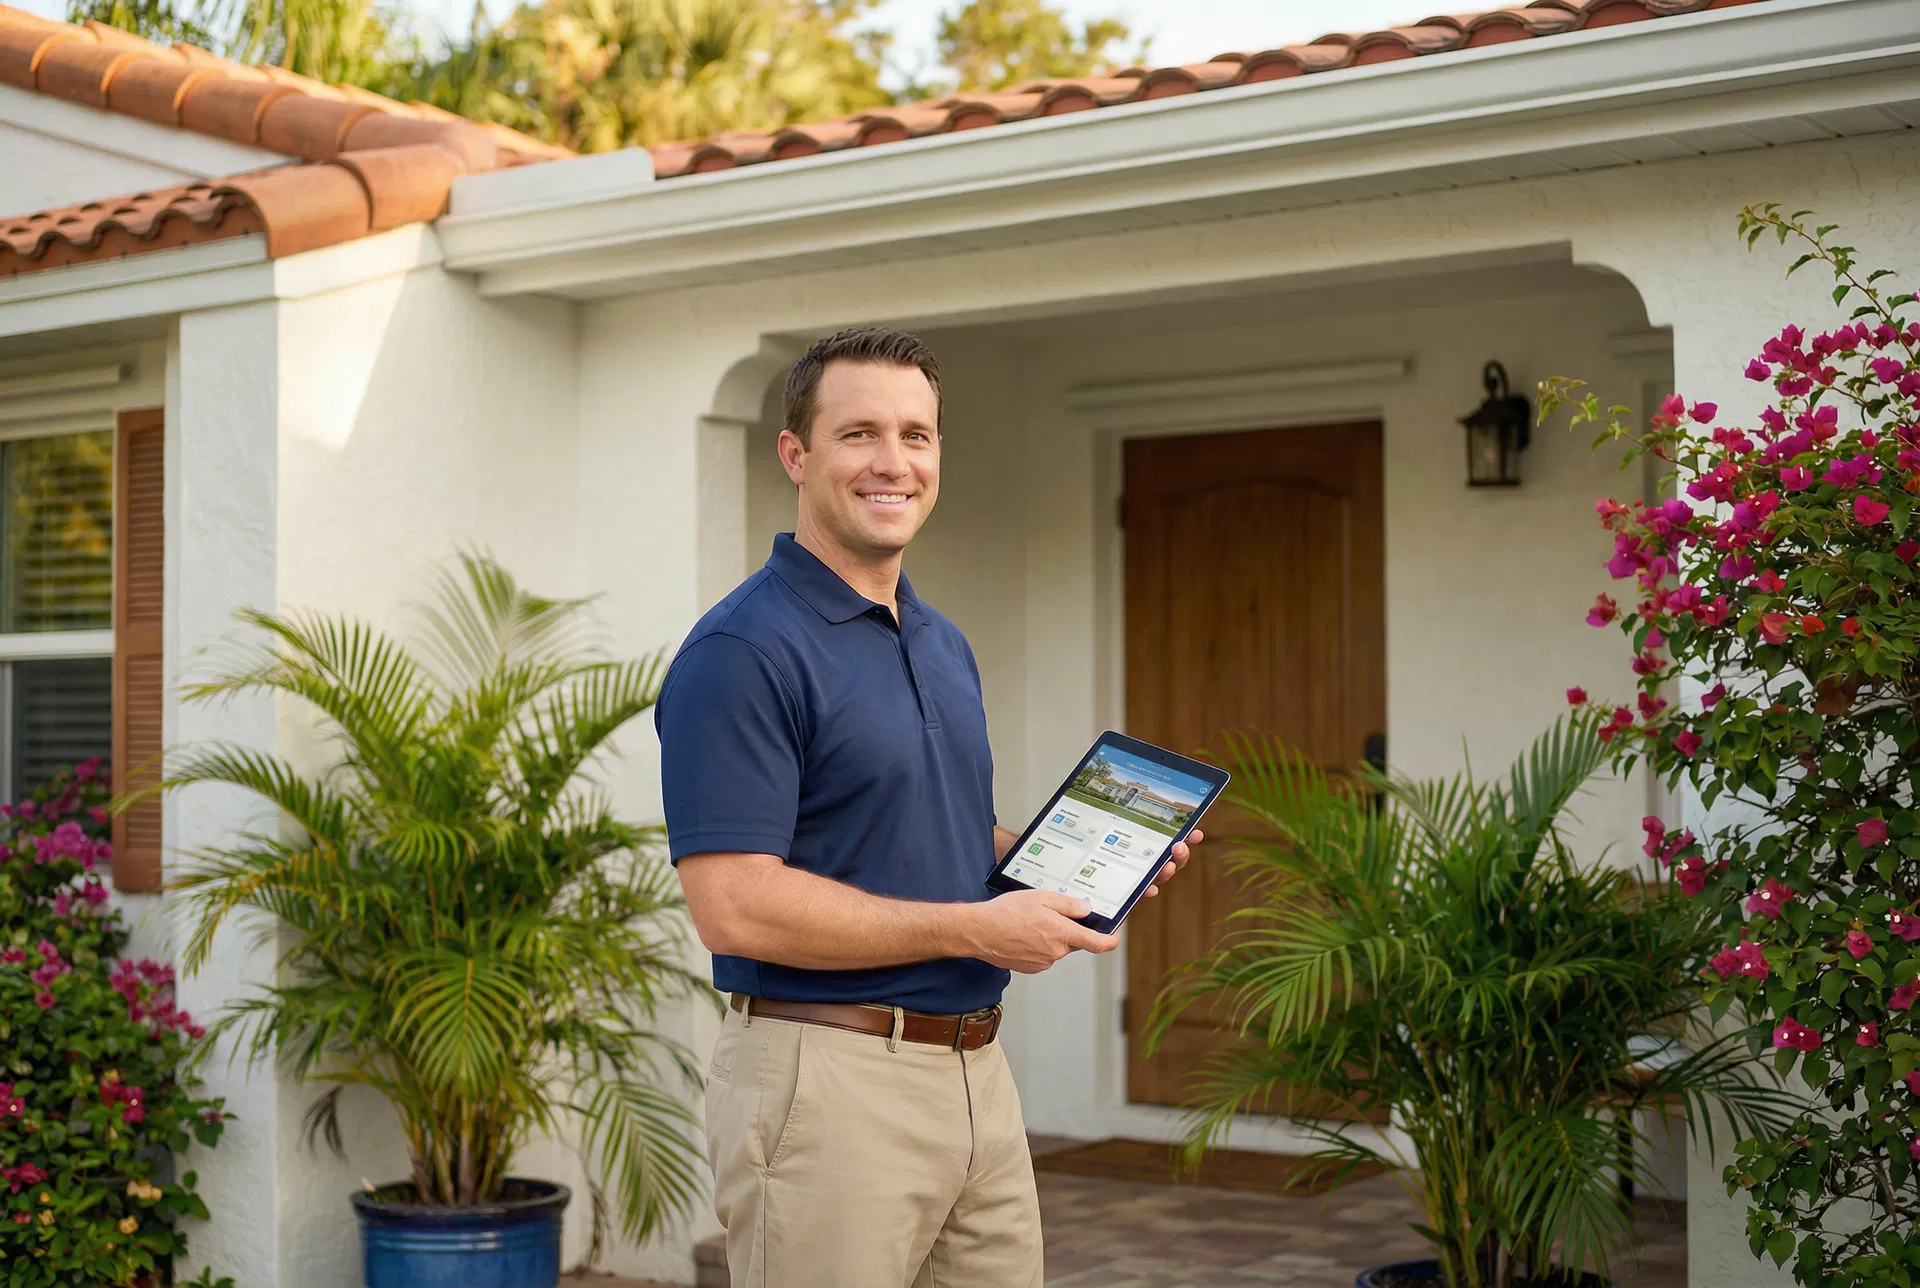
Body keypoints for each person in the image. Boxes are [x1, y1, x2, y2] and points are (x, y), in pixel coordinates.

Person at [655, 326, 1198, 1287]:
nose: (893, 462)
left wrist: (1063, 862)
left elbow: (929, 828)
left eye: (916, 435)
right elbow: (733, 905)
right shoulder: (743, 651)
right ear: (796, 454)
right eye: (859, 433)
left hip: (977, 1075)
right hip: (827, 1077)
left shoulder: (940, 641)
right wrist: (975, 930)